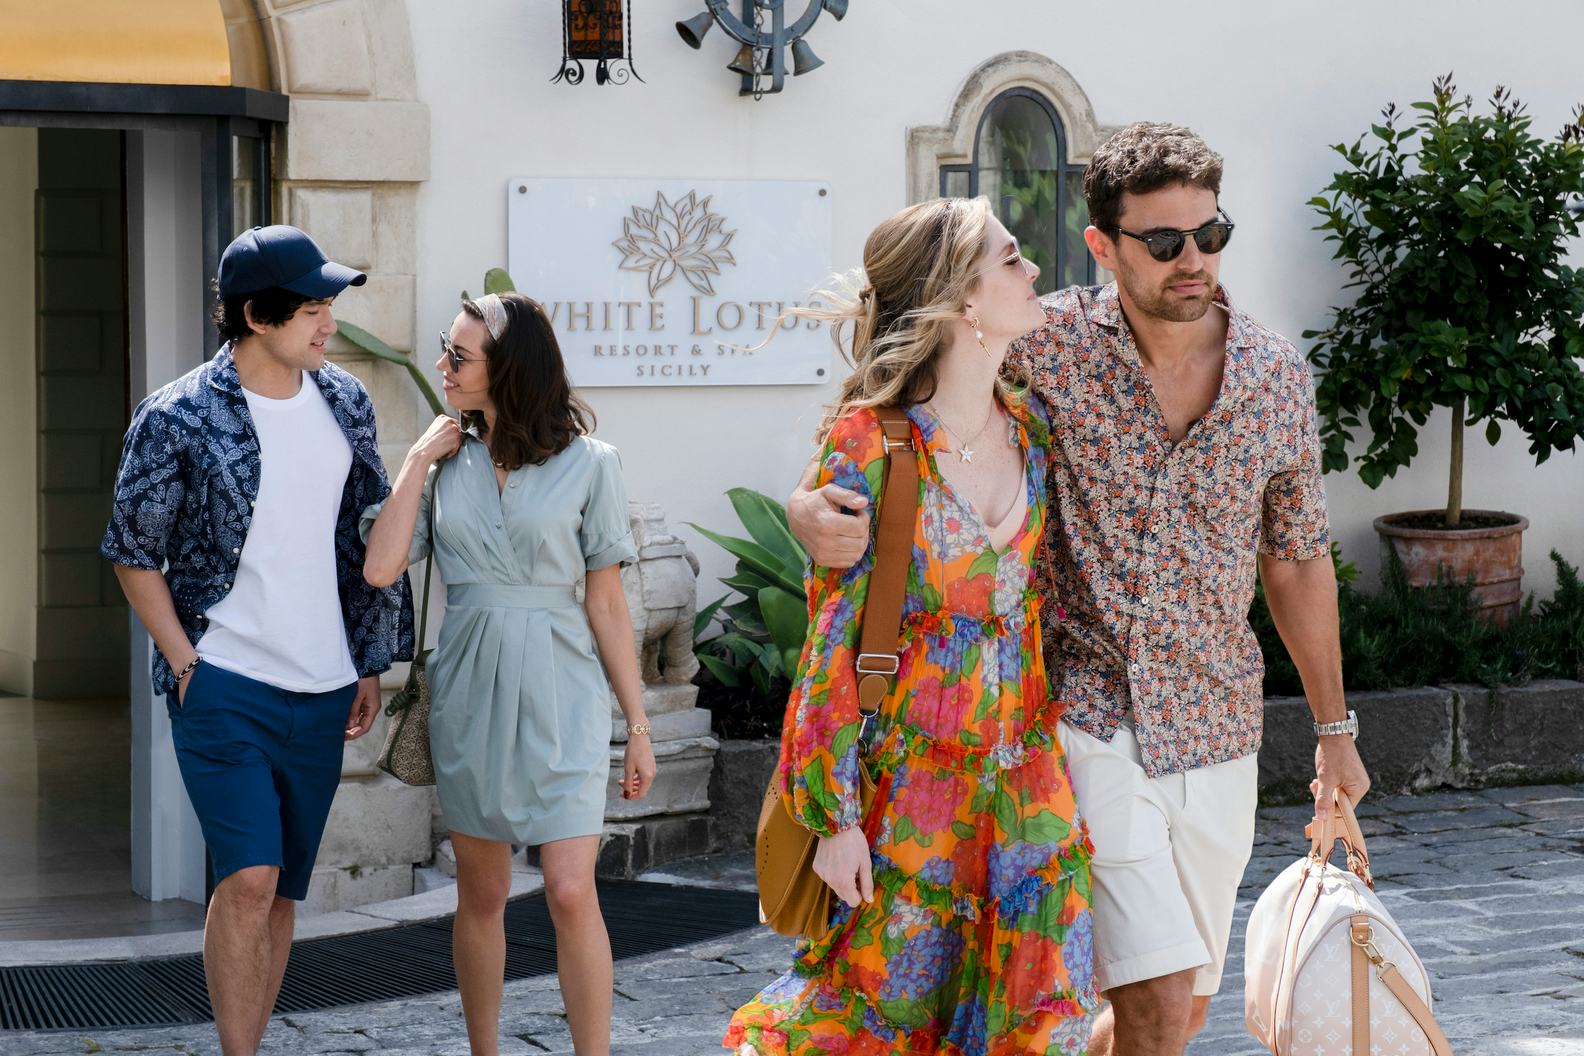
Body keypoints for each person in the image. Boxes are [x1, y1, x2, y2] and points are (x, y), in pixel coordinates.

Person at [788, 123, 1372, 1056]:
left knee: (1177, 1009)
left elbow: (1298, 558)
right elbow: (905, 412)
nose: (1194, 260)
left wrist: (1335, 732)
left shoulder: (1273, 379)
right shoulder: (1046, 342)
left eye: (1211, 235)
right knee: (1156, 997)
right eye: (1166, 241)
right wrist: (805, 508)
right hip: (1081, 715)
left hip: (1217, 722)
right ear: (1103, 244)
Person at [725, 197, 1098, 1056]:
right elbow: (831, 643)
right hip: (912, 799)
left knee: (1041, 1026)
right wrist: (834, 819)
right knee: (882, 1025)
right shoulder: (873, 443)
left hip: (1027, 790)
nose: (1034, 270)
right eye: (1012, 258)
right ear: (963, 297)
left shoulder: (1033, 428)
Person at [101, 225, 409, 1056]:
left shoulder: (346, 401)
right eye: (311, 310)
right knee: (248, 878)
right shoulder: (178, 415)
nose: (328, 324)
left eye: (328, 307)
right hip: (224, 680)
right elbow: (132, 550)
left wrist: (368, 660)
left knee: (280, 893)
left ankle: (254, 1041)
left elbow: (360, 538)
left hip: (325, 683)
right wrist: (184, 661)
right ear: (256, 316)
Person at [362, 292, 656, 1056]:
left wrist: (639, 725)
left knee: (570, 889)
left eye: (458, 356)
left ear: (509, 368)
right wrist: (416, 461)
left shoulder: (592, 464)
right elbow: (381, 567)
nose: (442, 365)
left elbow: (606, 603)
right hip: (471, 690)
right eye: (446, 349)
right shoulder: (444, 463)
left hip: (565, 689)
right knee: (484, 890)